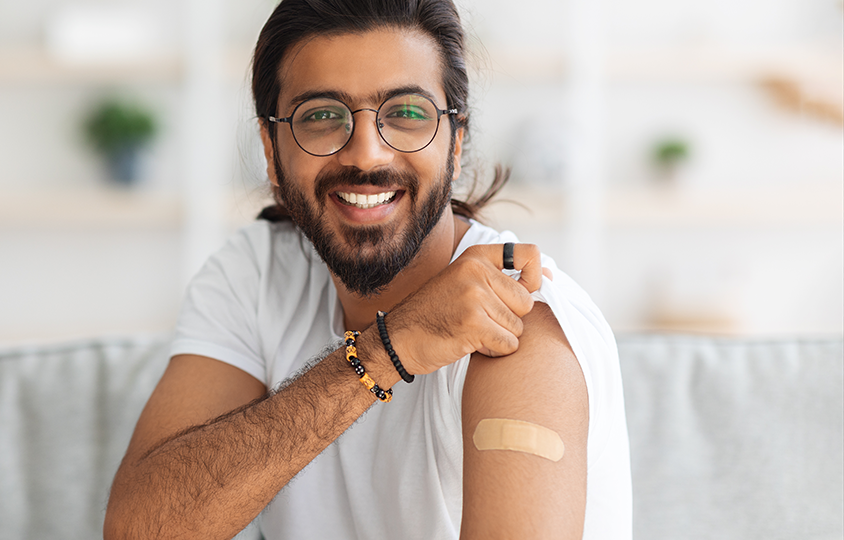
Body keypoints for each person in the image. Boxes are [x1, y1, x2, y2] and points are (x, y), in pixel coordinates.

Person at [104, 0, 632, 538]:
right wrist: (388, 349)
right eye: (321, 116)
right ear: (270, 147)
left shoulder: (519, 322)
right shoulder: (256, 271)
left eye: (406, 114)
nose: (367, 154)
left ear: (456, 144)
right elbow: (138, 530)